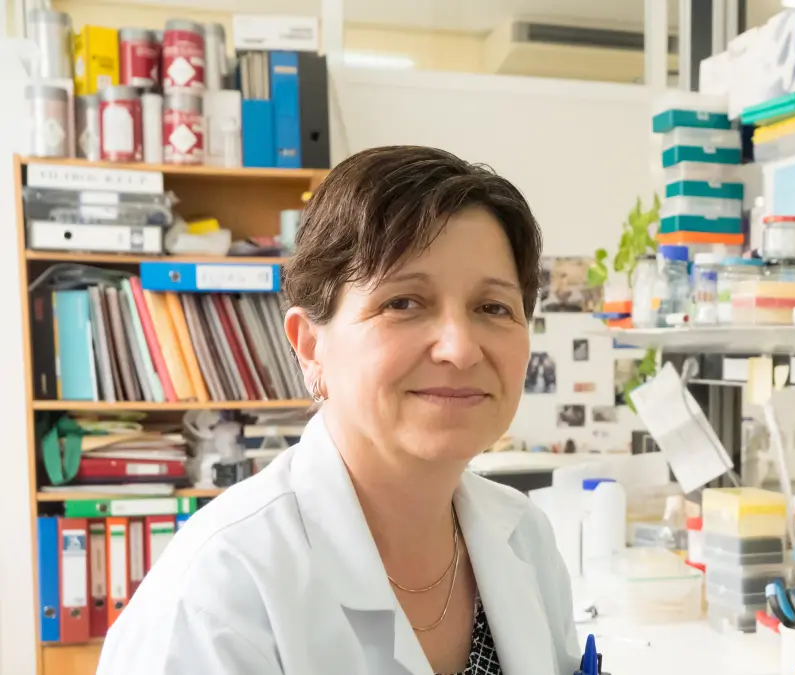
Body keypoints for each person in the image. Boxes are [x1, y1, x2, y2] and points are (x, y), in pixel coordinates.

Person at [97, 146, 579, 675]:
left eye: (493, 307)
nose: (460, 349)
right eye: (403, 303)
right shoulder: (216, 594)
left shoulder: (526, 537)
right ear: (310, 346)